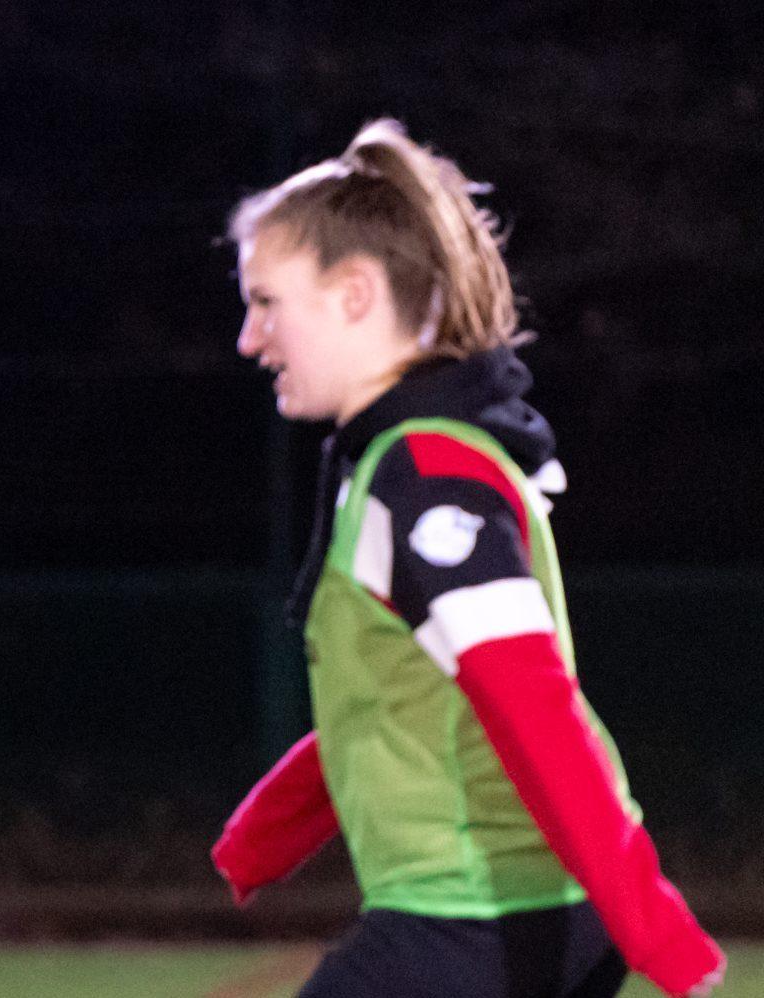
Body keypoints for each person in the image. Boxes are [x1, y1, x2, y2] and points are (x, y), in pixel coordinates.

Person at [211, 120, 724, 998]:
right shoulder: (405, 462)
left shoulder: (424, 477)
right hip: (511, 917)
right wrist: (271, 830)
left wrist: (658, 929)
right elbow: (407, 691)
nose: (250, 340)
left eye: (267, 303)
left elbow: (527, 700)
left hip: (483, 922)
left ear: (355, 294)